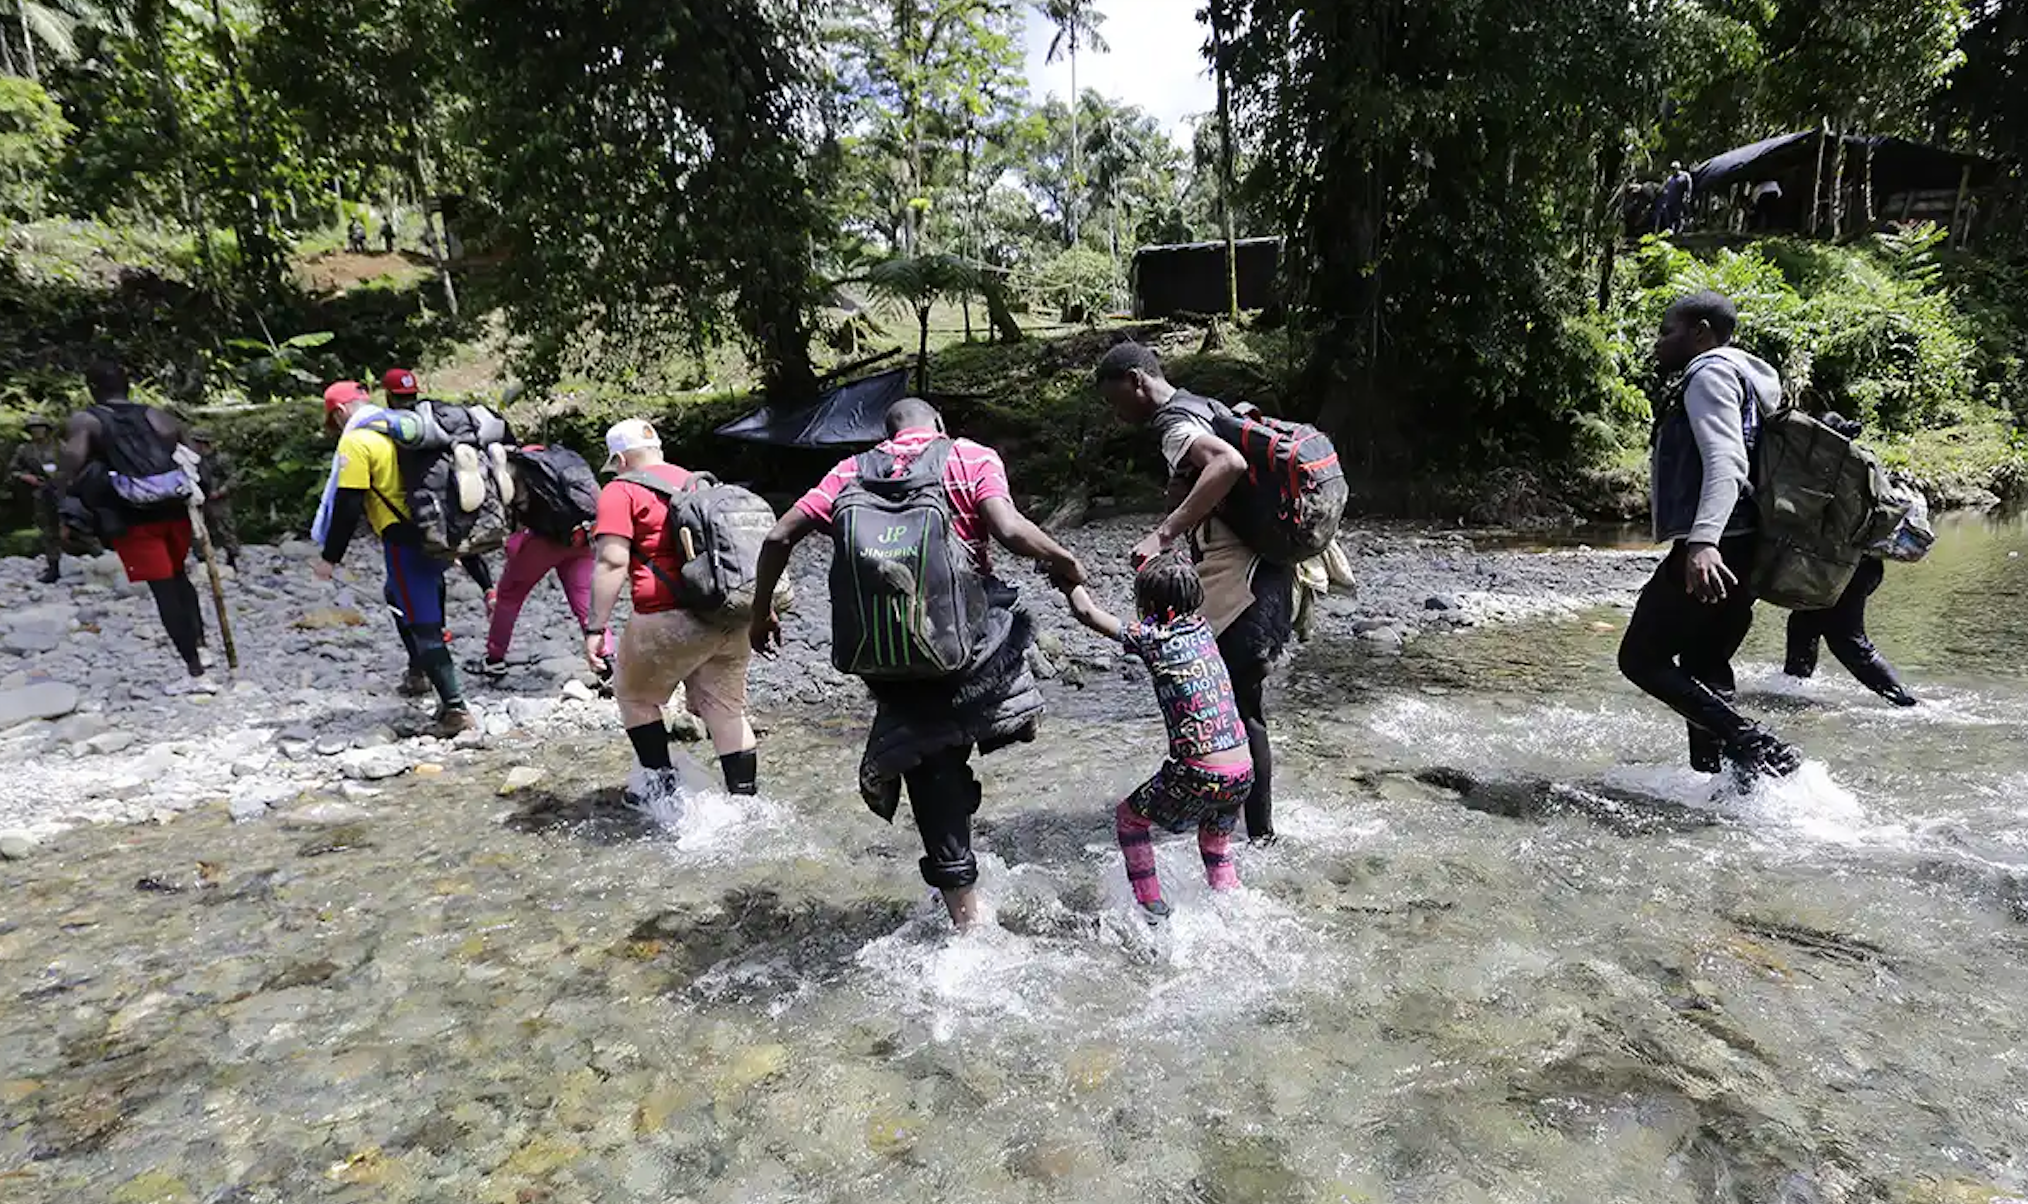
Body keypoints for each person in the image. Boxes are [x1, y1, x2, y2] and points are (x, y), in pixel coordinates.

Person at [748, 398, 1086, 929]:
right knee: (1008, 620)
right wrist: (1065, 561)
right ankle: (1012, 718)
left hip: (890, 655)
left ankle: (963, 916)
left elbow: (777, 536)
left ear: (885, 434)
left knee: (930, 771)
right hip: (969, 650)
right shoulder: (969, 456)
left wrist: (761, 611)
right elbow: (1007, 527)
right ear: (939, 427)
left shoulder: (848, 471)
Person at [1093, 341, 1293, 845]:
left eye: (1117, 401)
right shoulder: (1203, 406)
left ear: (1139, 381)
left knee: (1240, 714)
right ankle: (1243, 832)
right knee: (1243, 711)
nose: (1118, 415)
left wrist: (1162, 535)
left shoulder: (1173, 424)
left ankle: (1256, 836)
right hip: (1265, 583)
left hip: (1242, 592)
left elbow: (1227, 465)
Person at [1618, 290, 1800, 783]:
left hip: (1720, 541)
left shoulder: (1710, 372)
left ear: (1700, 331)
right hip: (1748, 544)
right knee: (1704, 660)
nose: (1658, 343)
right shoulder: (1750, 377)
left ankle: (1755, 744)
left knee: (1639, 657)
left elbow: (1725, 461)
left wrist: (1702, 543)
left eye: (1667, 332)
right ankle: (1725, 786)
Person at [1062, 552, 1252, 922]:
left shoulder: (1153, 637)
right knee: (1214, 840)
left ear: (1148, 605)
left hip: (1199, 772)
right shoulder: (1203, 630)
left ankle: (1151, 909)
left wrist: (1068, 581)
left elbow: (1087, 614)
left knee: (1129, 820)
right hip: (1242, 772)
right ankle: (1231, 906)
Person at [582, 419, 759, 803]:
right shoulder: (701, 483)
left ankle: (662, 797)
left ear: (619, 458)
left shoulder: (620, 490)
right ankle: (745, 806)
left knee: (635, 696)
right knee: (726, 711)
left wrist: (595, 628)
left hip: (666, 618)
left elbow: (612, 562)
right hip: (728, 613)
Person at [312, 380, 480, 737]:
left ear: (340, 412)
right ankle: (419, 672)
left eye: (334, 420)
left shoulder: (358, 442)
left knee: (422, 622)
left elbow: (348, 505)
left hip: (406, 541)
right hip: (439, 531)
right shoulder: (407, 428)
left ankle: (455, 709)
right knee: (397, 597)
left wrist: (330, 558)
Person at [57, 361, 207, 677]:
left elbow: (71, 464)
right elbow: (191, 454)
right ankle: (201, 641)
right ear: (128, 386)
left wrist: (68, 511)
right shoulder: (157, 415)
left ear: (92, 389)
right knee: (180, 576)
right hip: (176, 511)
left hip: (132, 519)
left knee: (163, 588)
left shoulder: (87, 421)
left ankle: (192, 663)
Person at [1780, 412, 1916, 707]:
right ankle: (1793, 691)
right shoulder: (1857, 463)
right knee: (1804, 623)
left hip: (1850, 569)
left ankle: (1905, 704)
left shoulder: (1837, 469)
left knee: (1847, 640)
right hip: (1858, 566)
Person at [468, 443, 613, 680]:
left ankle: (495, 660)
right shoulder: (564, 464)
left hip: (541, 542)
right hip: (582, 537)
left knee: (509, 597)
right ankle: (606, 660)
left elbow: (515, 518)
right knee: (586, 601)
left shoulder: (524, 471)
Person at [10, 415, 63, 583]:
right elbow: (13, 470)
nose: (37, 431)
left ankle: (98, 558)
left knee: (76, 525)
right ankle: (54, 567)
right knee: (48, 529)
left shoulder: (59, 447)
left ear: (47, 429)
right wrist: (27, 477)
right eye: (33, 428)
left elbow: (75, 464)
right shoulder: (24, 449)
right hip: (41, 491)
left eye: (40, 427)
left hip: (63, 491)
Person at [188, 428, 240, 569]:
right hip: (199, 498)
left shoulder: (221, 459)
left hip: (218, 500)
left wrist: (221, 491)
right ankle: (202, 559)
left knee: (225, 528)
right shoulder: (193, 458)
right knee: (198, 530)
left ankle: (231, 558)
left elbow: (234, 478)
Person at [1657, 162, 1693, 233]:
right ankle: (1671, 231)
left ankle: (1680, 231)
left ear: (1678, 168)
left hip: (1680, 200)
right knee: (1669, 217)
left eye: (1674, 168)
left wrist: (1688, 195)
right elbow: (1664, 187)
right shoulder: (1670, 178)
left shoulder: (1685, 176)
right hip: (1670, 200)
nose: (1673, 170)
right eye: (1672, 169)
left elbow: (1689, 186)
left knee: (1679, 216)